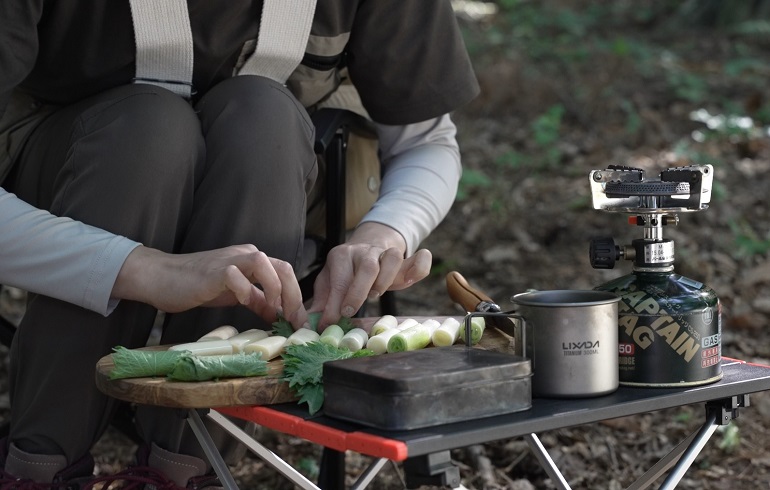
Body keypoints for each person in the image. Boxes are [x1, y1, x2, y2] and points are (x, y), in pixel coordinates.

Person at [0, 1, 479, 487]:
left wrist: (383, 234)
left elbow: (425, 141)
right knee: (150, 130)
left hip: (260, 179)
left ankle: (185, 470)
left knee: (263, 114)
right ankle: (37, 466)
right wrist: (144, 269)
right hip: (74, 180)